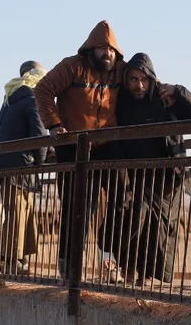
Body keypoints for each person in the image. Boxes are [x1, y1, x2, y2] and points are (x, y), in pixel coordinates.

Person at [34, 21, 126, 278]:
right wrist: (54, 125)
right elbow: (43, 89)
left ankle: (109, 258)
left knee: (123, 199)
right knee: (78, 209)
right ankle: (70, 266)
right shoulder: (72, 67)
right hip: (73, 146)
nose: (107, 53)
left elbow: (145, 78)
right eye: (102, 48)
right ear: (90, 49)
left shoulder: (120, 71)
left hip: (107, 144)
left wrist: (165, 89)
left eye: (111, 49)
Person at [113, 53, 191, 284]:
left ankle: (146, 276)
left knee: (160, 229)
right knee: (133, 222)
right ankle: (129, 269)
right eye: (134, 79)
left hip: (167, 177)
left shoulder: (165, 98)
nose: (139, 85)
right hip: (134, 175)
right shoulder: (120, 103)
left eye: (143, 79)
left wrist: (179, 91)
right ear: (126, 80)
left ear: (151, 79)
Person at [0, 62, 49, 274]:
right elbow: (39, 135)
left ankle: (20, 258)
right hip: (20, 164)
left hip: (5, 161)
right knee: (18, 212)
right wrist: (41, 162)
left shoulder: (10, 98)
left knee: (23, 210)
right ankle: (10, 260)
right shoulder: (34, 99)